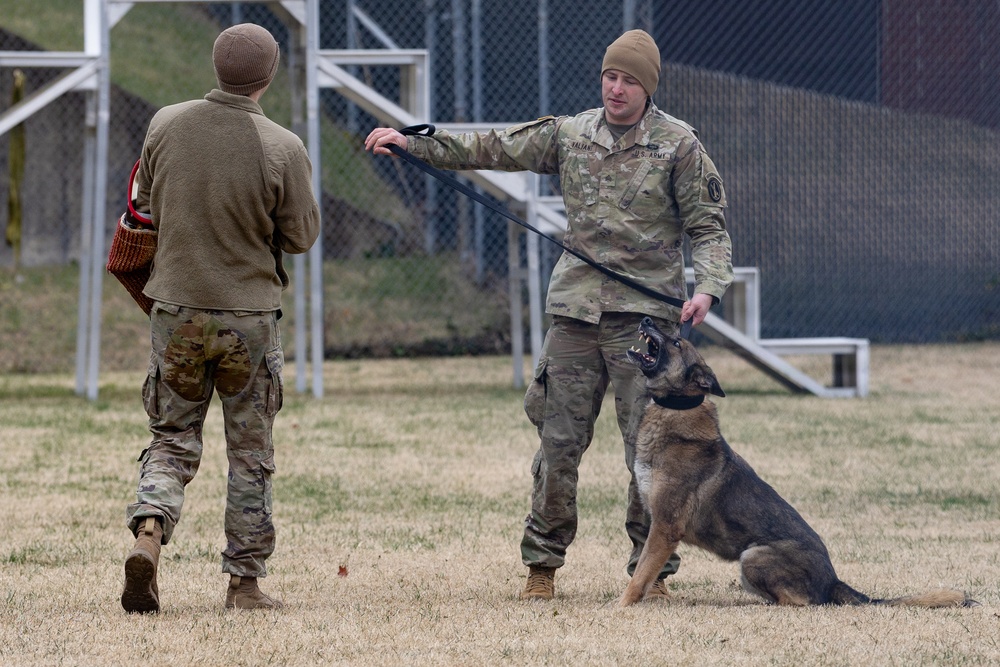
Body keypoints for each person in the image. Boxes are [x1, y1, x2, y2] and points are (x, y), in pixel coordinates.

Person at [365, 28, 733, 601]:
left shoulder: (678, 146)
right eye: (610, 76)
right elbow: (491, 146)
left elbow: (709, 227)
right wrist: (414, 145)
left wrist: (707, 288)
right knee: (558, 444)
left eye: (629, 80)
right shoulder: (571, 133)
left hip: (646, 326)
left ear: (648, 87)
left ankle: (651, 573)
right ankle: (542, 568)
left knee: (651, 450)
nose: (616, 88)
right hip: (575, 315)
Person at [120, 23, 321, 613]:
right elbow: (302, 235)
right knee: (249, 452)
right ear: (269, 75)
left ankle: (150, 530)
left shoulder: (165, 124)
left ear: (215, 65)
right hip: (248, 321)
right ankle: (244, 584)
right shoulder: (282, 145)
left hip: (176, 311)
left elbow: (147, 202)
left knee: (172, 438)